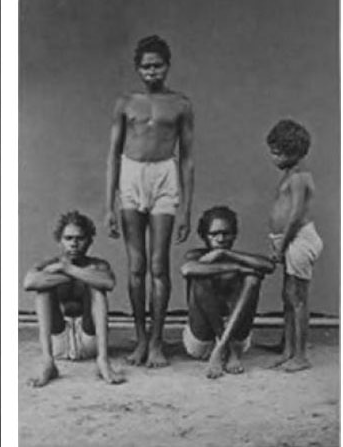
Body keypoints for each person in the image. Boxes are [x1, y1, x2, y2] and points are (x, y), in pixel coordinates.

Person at [105, 35, 194, 367]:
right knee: (137, 266)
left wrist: (186, 208)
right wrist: (108, 205)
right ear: (137, 68)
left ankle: (157, 342)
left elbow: (187, 158)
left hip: (164, 176)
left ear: (167, 66)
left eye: (157, 65)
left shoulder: (181, 104)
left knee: (159, 265)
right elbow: (112, 155)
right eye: (146, 66)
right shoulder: (126, 102)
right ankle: (140, 339)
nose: (152, 71)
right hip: (131, 175)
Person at [23, 211, 125, 387]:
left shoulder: (97, 264)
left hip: (89, 338)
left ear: (89, 241)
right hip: (58, 341)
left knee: (97, 288)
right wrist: (75, 274)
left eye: (80, 238)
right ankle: (48, 363)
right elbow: (29, 282)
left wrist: (66, 268)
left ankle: (103, 360)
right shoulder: (50, 263)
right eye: (68, 238)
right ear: (60, 240)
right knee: (43, 290)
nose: (74, 244)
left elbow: (108, 282)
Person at [180, 206, 275, 379]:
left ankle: (224, 347)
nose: (220, 239)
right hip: (203, 339)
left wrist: (226, 254)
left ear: (234, 234)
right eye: (214, 234)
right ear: (204, 235)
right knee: (200, 278)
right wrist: (237, 267)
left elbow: (269, 266)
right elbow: (187, 269)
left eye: (226, 233)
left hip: (237, 337)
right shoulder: (196, 255)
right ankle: (226, 348)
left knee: (252, 280)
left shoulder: (237, 256)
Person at [265, 119, 323, 373]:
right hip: (289, 241)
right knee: (288, 298)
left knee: (298, 298)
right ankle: (288, 349)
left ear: (295, 152)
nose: (273, 157)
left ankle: (301, 355)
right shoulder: (290, 174)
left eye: (277, 153)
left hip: (299, 239)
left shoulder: (299, 177)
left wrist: (281, 246)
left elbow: (296, 216)